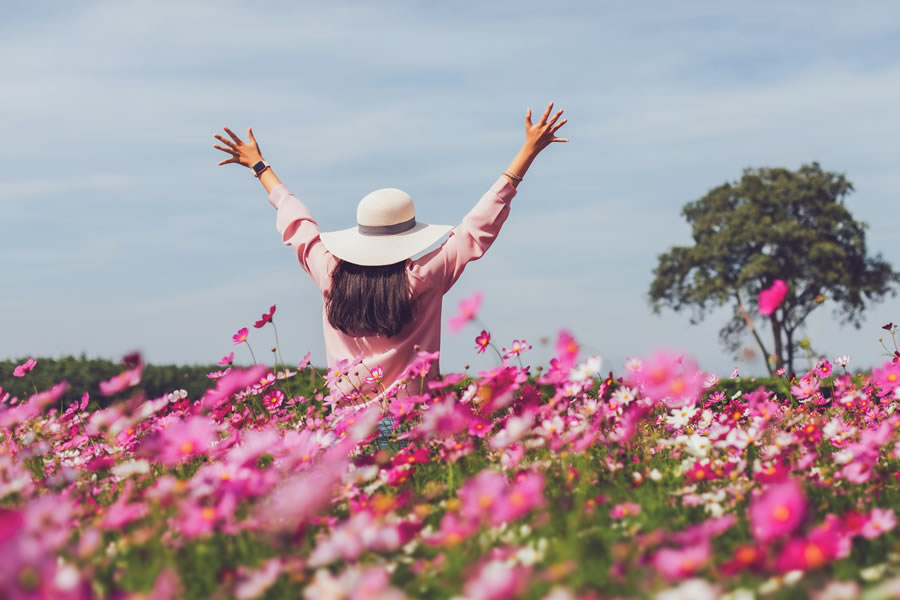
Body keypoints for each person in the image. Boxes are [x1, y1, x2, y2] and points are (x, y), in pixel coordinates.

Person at [213, 103, 567, 404]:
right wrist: (527, 153)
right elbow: (476, 229)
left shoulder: (329, 272)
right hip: (413, 421)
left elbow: (297, 222)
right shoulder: (424, 277)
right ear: (409, 237)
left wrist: (260, 166)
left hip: (345, 427)